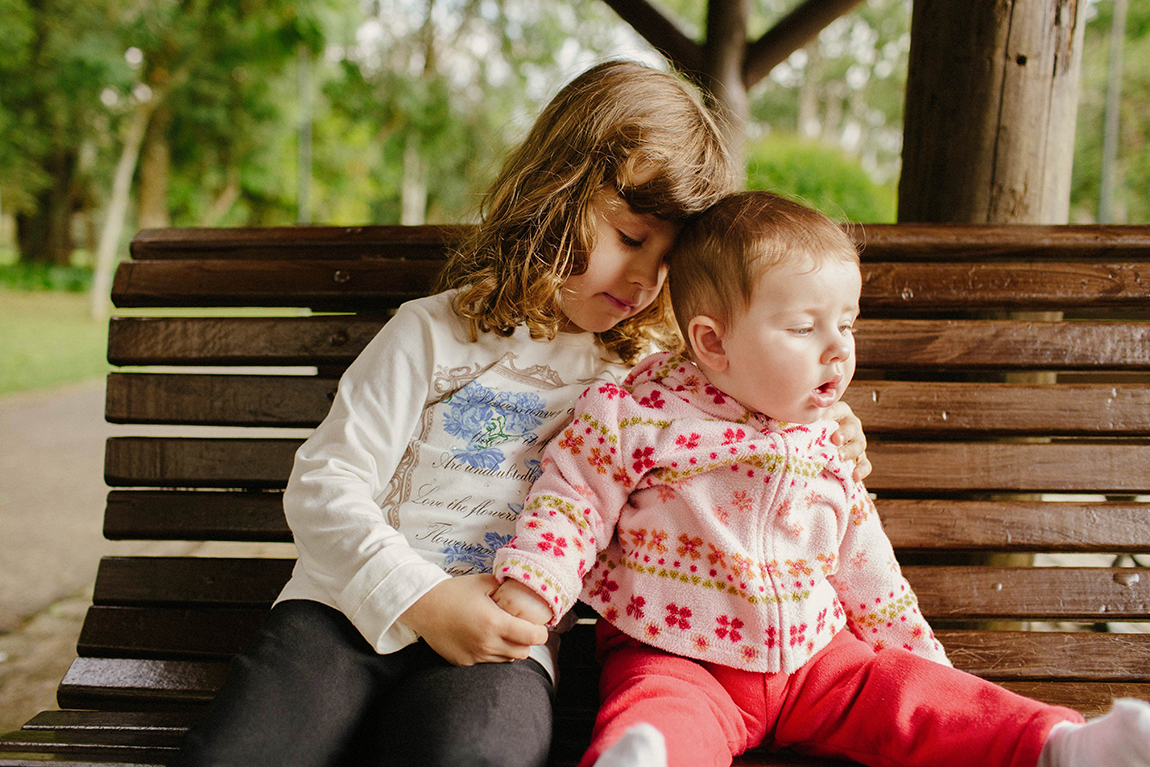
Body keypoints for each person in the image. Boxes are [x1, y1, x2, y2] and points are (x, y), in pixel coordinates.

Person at [170, 63, 872, 767]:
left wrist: (819, 422)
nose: (645, 279)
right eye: (631, 238)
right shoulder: (431, 333)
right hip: (341, 611)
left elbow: (737, 435)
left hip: (506, 641)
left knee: (478, 755)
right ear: (556, 195)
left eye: (668, 261)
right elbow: (325, 484)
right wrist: (425, 600)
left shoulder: (646, 384)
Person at [491, 190, 1150, 767]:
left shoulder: (825, 438)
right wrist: (534, 585)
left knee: (912, 698)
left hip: (818, 660)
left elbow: (865, 558)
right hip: (681, 652)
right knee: (659, 713)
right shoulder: (637, 411)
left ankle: (1062, 746)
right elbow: (574, 497)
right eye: (804, 328)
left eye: (846, 323)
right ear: (712, 343)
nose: (837, 347)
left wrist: (917, 658)